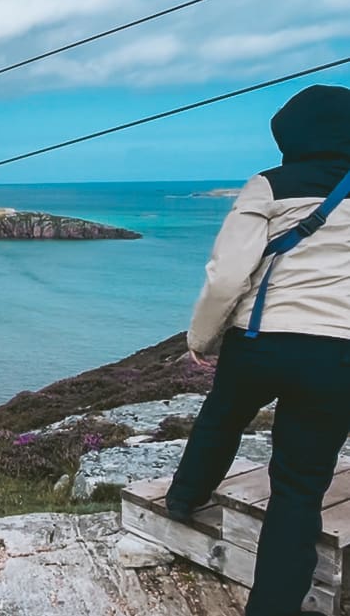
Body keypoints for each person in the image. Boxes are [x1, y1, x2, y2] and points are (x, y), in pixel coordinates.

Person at [165, 84, 350, 616]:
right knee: (299, 488)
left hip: (260, 339)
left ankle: (183, 498)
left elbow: (226, 278)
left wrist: (200, 339)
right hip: (337, 353)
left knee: (222, 418)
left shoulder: (269, 184)